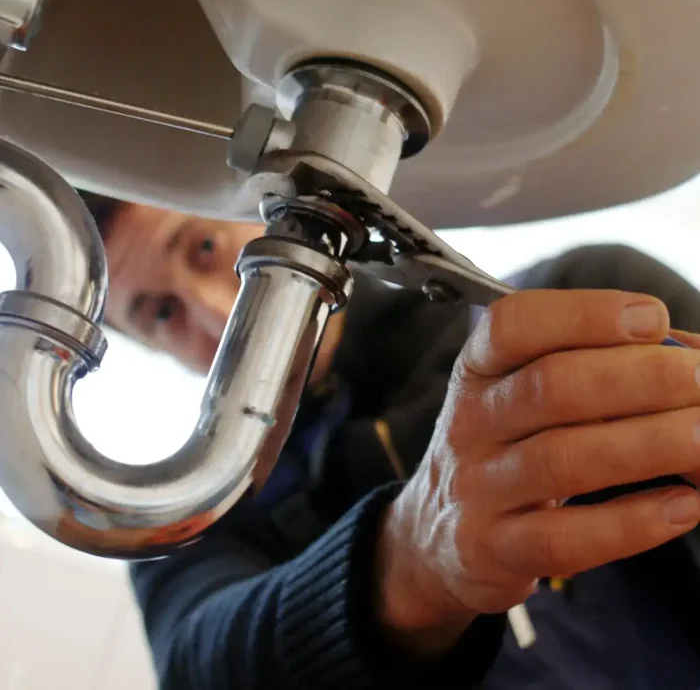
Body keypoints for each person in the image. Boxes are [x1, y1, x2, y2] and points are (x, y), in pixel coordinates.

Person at [82, 192, 700, 689]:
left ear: (270, 203)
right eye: (161, 313)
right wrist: (407, 565)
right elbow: (201, 666)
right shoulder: (190, 516)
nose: (218, 318)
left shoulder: (584, 302)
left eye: (206, 247)